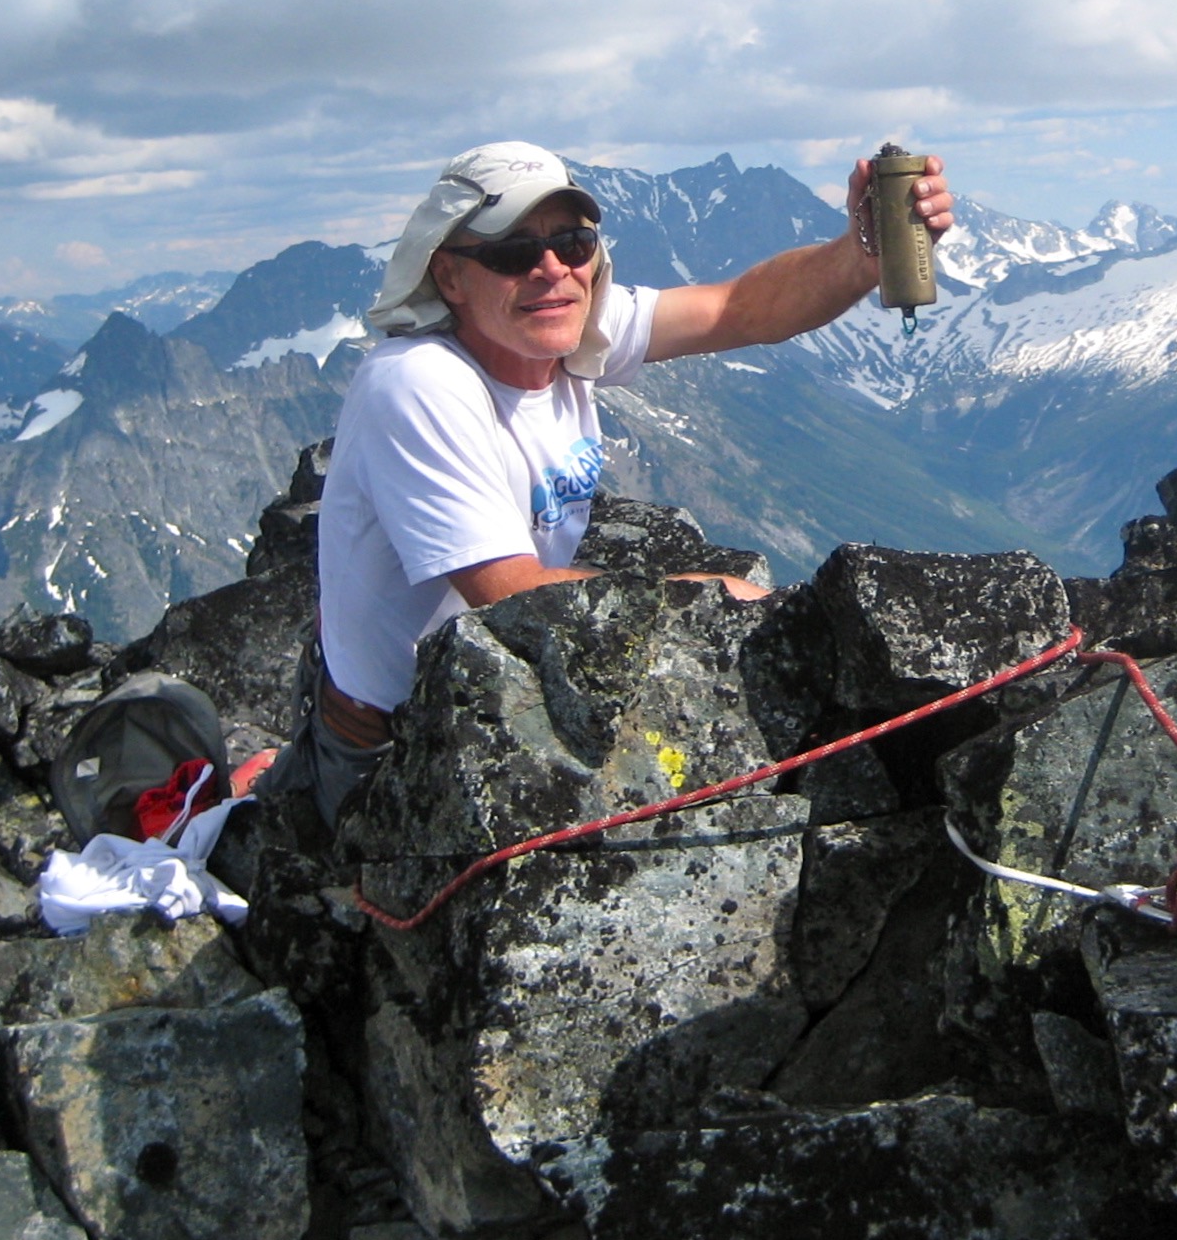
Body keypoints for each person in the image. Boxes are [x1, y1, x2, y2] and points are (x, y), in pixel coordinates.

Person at [273, 139, 951, 830]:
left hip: (503, 691)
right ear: (448, 277)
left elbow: (742, 308)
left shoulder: (567, 327)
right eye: (513, 253)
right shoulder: (418, 381)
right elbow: (504, 595)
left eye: (573, 243)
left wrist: (863, 254)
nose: (551, 271)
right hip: (398, 748)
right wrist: (696, 600)